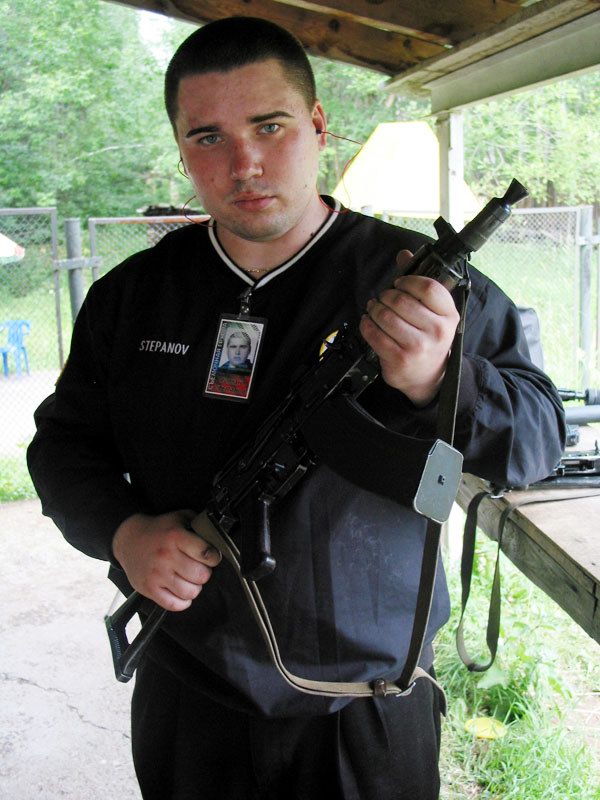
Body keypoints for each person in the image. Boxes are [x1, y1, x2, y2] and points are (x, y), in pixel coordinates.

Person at [27, 16, 565, 800]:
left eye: (269, 126)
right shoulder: (134, 296)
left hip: (363, 712)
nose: (243, 163)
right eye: (207, 137)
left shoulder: (419, 284)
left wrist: (436, 378)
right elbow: (63, 446)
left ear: (318, 125)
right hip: (192, 697)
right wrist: (124, 533)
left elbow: (538, 443)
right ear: (181, 148)